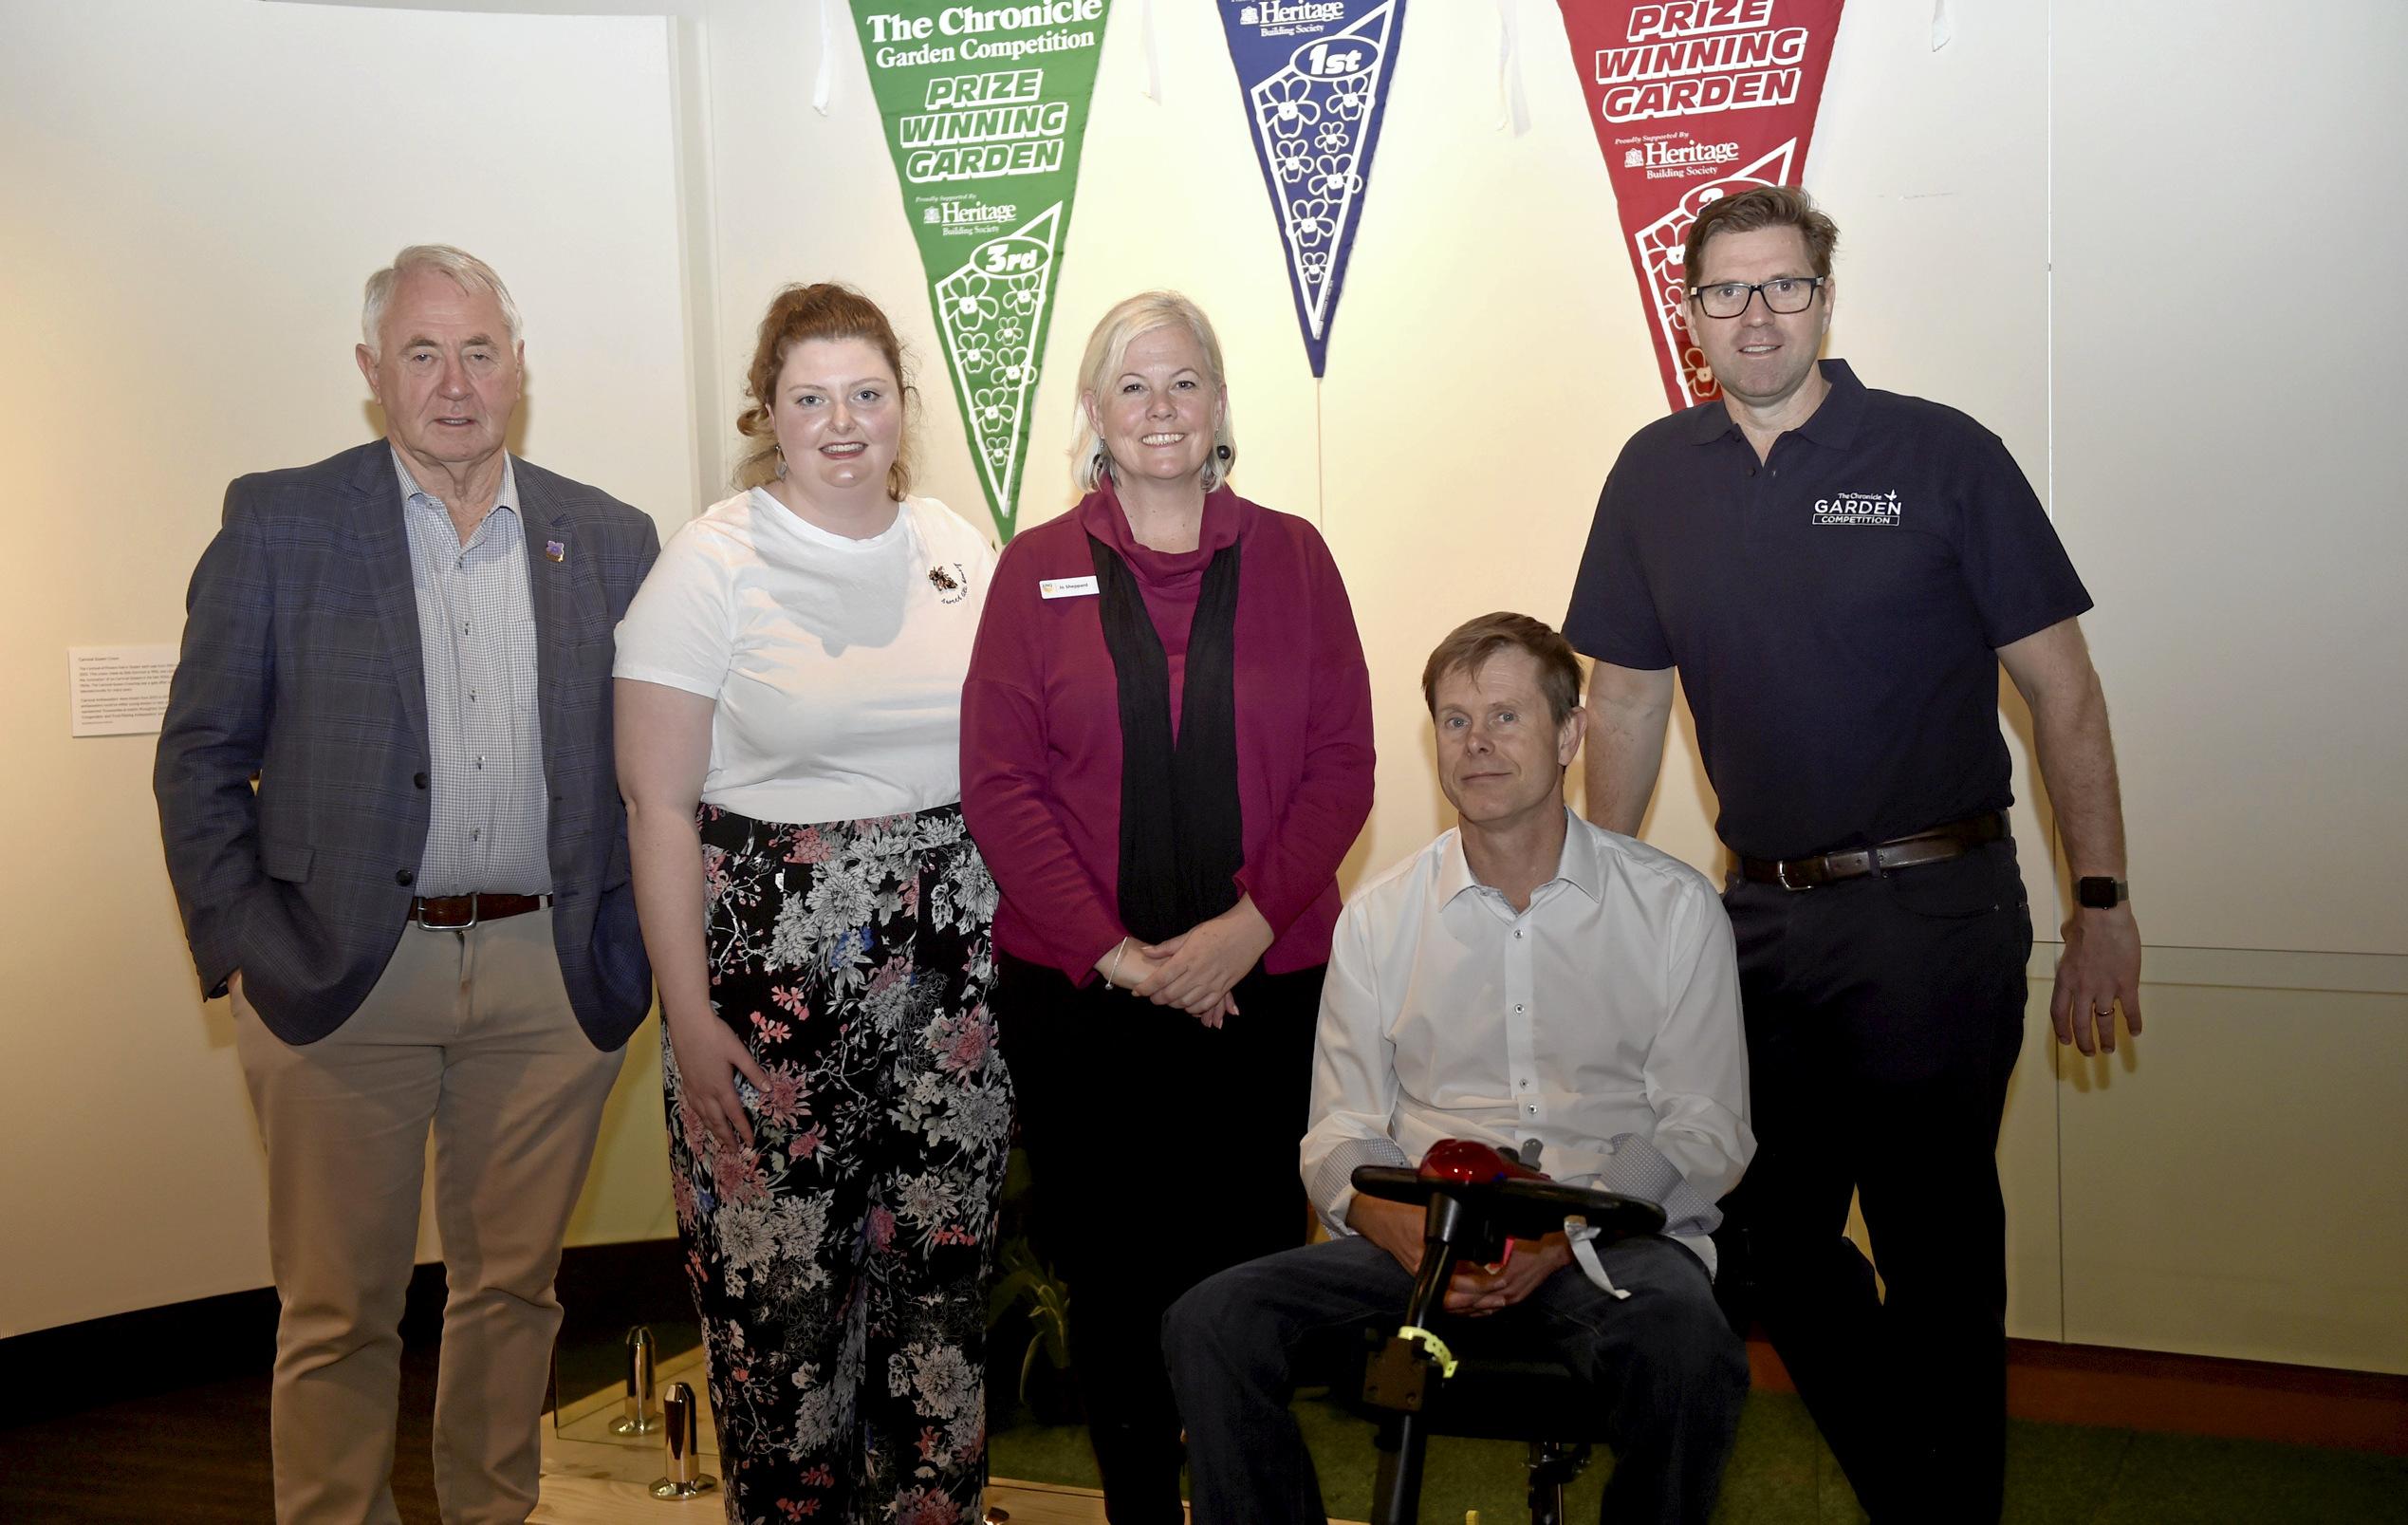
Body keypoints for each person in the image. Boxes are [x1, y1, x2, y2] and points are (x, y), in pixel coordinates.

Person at [1565, 185, 2143, 1522]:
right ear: (1688, 311)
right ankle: (1924, 1497)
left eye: (1783, 287)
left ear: (1826, 301)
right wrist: (1591, 907)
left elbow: (2064, 689)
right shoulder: (1652, 474)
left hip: (1931, 907)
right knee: (1755, 1237)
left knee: (1937, 1248)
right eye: (1725, 290)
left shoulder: (1941, 454)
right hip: (1753, 920)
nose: (1755, 314)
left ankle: (1945, 1505)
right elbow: (1630, 700)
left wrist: (2100, 900)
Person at [154, 245, 658, 1524]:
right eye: (423, 353)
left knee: (513, 1297)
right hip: (339, 976)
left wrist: (629, 944)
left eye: (479, 351)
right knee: (337, 1310)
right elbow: (202, 754)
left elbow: (660, 764)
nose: (454, 382)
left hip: (550, 981)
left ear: (519, 368)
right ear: (372, 371)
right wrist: (245, 946)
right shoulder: (281, 519)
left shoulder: (607, 535)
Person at [1164, 612, 1753, 1525]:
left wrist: (1562, 1238)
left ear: (1569, 733)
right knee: (1212, 1322)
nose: (1477, 744)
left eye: (1506, 717)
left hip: (1605, 1239)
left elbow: (1702, 1126)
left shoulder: (1672, 909)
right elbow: (1339, 1131)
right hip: (1421, 1238)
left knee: (1689, 1345)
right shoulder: (1381, 916)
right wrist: (1404, 1232)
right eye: (1454, 720)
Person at [960, 290, 1375, 1522]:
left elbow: (1342, 761)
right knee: (1114, 1277)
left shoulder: (1293, 555)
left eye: (1183, 380)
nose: (1160, 407)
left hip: (1266, 985)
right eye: (1133, 385)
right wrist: (1118, 955)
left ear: (1218, 404)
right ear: (1091, 412)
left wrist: (1244, 928)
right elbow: (1000, 782)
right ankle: (1141, 1505)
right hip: (1082, 999)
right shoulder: (1034, 568)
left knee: (1246, 1271)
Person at [613, 283, 1010, 1522]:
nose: (842, 421)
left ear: (902, 405)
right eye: (810, 397)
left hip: (951, 975)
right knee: (780, 1311)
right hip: (771, 979)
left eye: (867, 393)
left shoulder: (958, 541)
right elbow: (656, 807)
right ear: (768, 414)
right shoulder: (710, 562)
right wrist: (686, 1020)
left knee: (938, 1293)